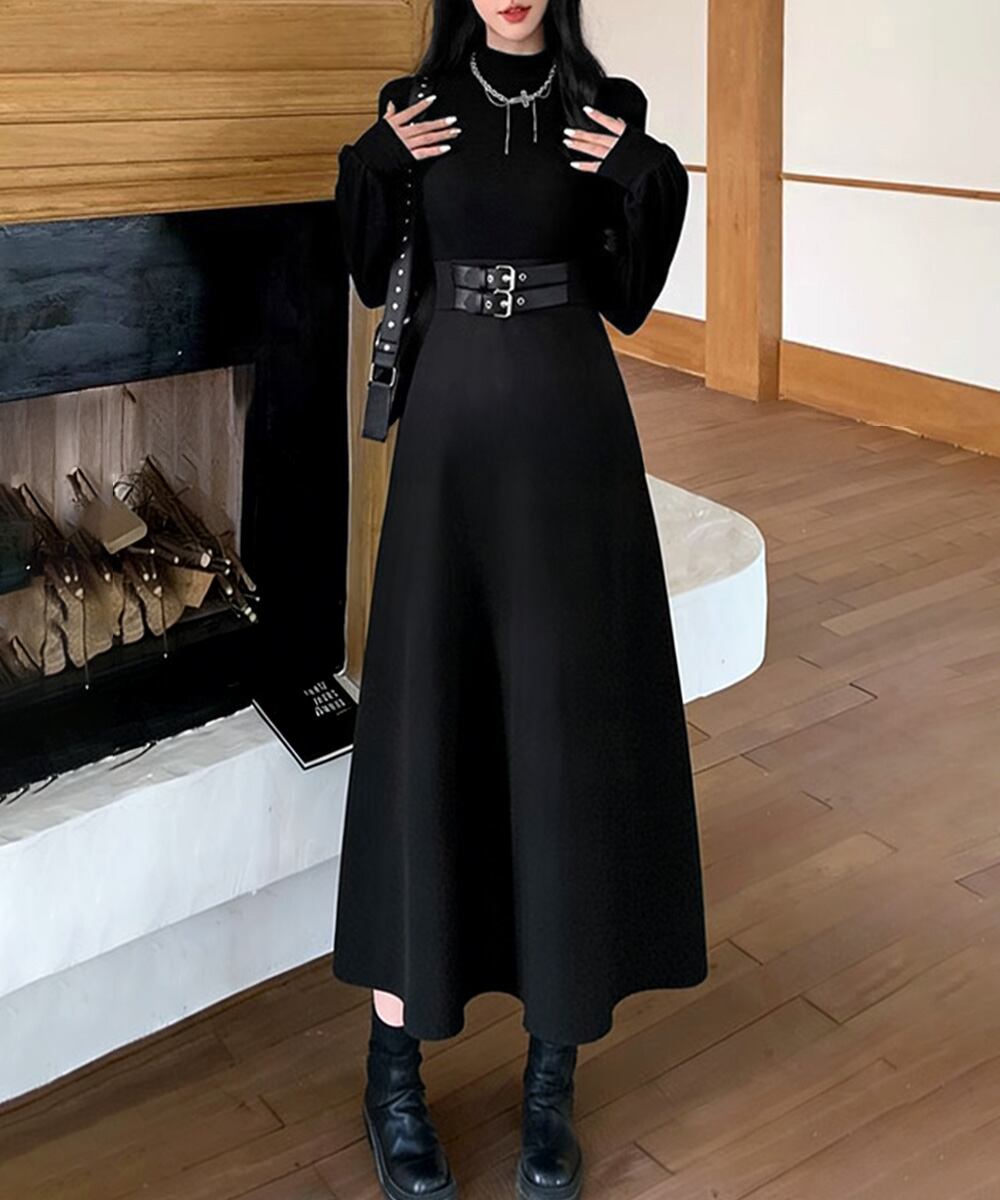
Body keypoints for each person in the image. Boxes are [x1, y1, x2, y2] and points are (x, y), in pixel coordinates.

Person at [331, 1, 709, 1196]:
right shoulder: (418, 108)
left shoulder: (604, 109)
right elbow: (367, 272)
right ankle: (393, 1075)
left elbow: (626, 297)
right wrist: (374, 162)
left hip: (570, 443)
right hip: (448, 447)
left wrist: (648, 177)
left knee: (561, 734)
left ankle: (552, 1079)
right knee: (427, 728)